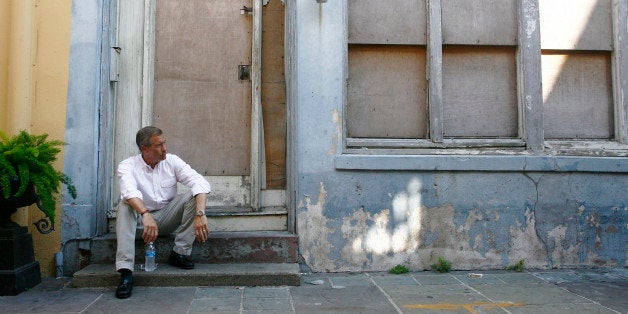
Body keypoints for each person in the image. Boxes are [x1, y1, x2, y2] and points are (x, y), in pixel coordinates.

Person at [114, 126, 211, 299]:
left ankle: (180, 253)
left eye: (164, 143)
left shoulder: (171, 161)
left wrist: (200, 214)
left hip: (166, 219)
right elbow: (129, 191)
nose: (164, 149)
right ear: (145, 149)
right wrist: (145, 214)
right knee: (124, 204)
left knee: (193, 195)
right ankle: (126, 272)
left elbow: (199, 181)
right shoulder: (127, 166)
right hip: (139, 225)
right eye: (159, 145)